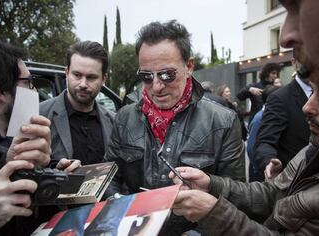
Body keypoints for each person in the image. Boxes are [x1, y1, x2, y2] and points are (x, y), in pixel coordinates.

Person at [169, 0, 319, 234]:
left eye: (297, 8)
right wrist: (211, 184)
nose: (284, 37)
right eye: (313, 89)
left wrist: (213, 213)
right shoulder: (317, 146)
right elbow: (273, 193)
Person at [105, 20, 245, 235]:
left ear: (189, 66)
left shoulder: (222, 121)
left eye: (167, 74)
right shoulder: (124, 117)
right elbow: (110, 177)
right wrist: (121, 212)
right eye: (146, 77)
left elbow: (236, 195)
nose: (157, 86)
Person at [0, 39, 77, 235]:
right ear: (0, 92)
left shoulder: (17, 135)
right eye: (29, 83)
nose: (36, 91)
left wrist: (53, 173)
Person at [40, 41, 114, 165]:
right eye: (77, 75)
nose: (83, 84)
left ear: (103, 79)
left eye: (91, 77)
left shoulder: (114, 121)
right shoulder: (40, 115)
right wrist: (55, 173)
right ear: (67, 72)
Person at [253, 56, 311, 181]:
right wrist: (269, 162)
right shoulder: (280, 98)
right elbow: (265, 142)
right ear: (294, 62)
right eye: (304, 55)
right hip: (297, 183)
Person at [246, 85, 280, 181]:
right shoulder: (260, 118)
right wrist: (260, 168)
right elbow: (251, 148)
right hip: (261, 172)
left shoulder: (272, 115)